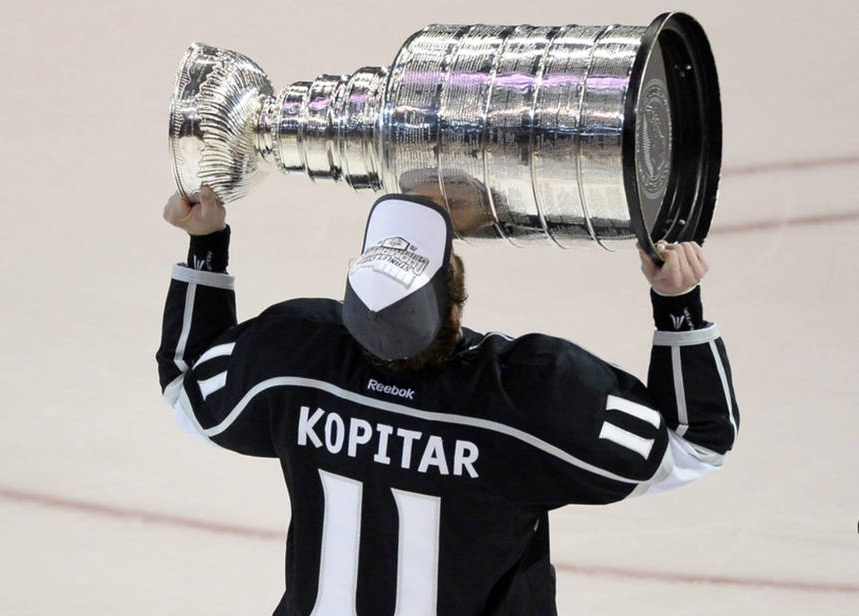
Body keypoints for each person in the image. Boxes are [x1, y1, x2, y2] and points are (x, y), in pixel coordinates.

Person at [157, 186, 739, 616]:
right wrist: (678, 304)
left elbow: (188, 382)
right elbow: (696, 443)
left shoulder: (295, 364)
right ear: (455, 310)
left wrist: (206, 243)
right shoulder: (524, 400)